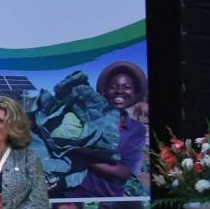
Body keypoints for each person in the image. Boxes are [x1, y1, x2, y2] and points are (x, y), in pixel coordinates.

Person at [63, 60, 148, 199]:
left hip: (109, 198)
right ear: (105, 92)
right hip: (72, 194)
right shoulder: (85, 118)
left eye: (127, 87)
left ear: (135, 92)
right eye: (113, 87)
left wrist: (81, 157)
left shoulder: (136, 130)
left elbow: (125, 172)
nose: (119, 91)